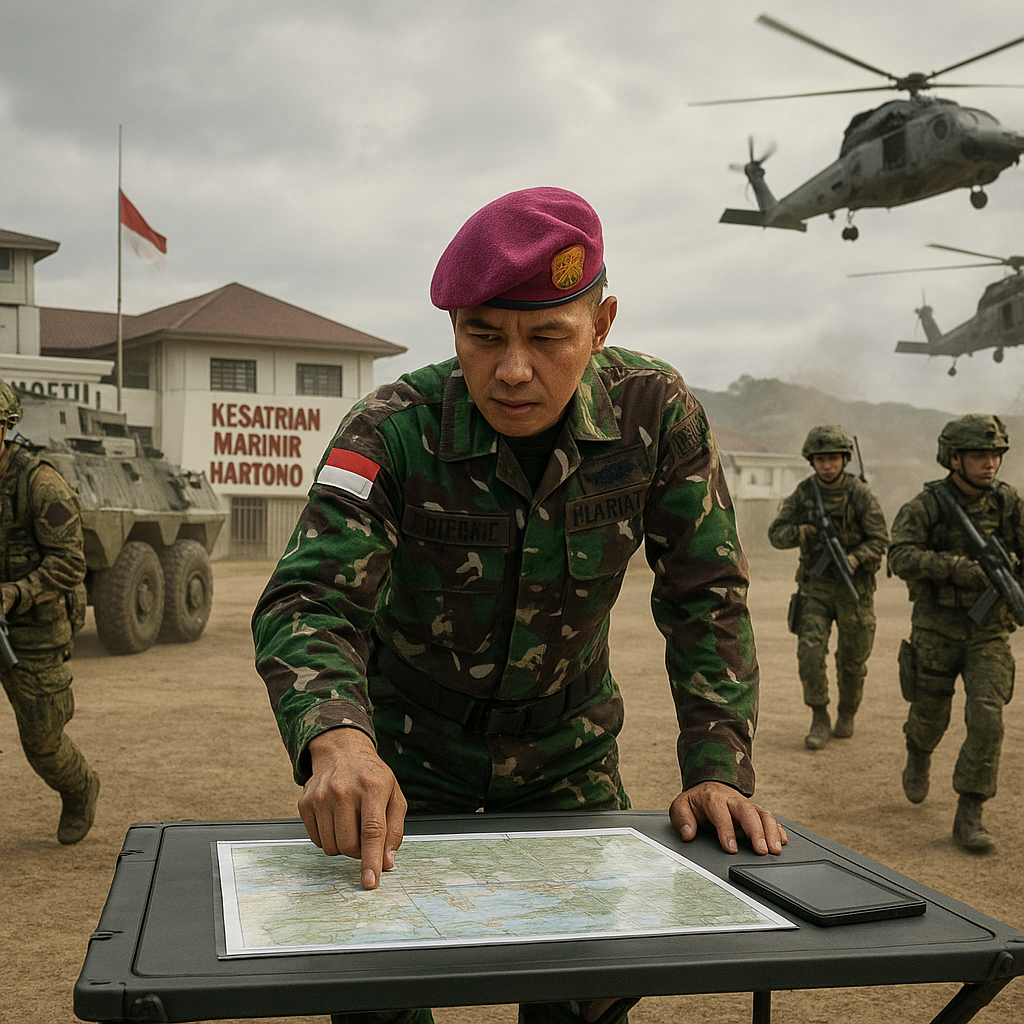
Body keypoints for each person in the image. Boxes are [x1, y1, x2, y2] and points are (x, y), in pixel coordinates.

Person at [252, 187, 786, 1024]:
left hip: (565, 756)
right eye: (483, 335)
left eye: (547, 337)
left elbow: (706, 595)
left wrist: (717, 768)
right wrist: (339, 740)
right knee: (374, 986)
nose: (511, 369)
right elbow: (308, 599)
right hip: (404, 758)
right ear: (454, 327)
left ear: (602, 324)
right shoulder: (393, 429)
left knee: (585, 990)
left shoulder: (657, 412)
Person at [888, 414, 1024, 854]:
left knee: (987, 720)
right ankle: (919, 753)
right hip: (936, 629)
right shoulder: (928, 505)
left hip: (989, 633)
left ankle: (970, 812)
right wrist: (954, 568)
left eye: (995, 455)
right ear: (953, 458)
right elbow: (900, 555)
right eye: (980, 455)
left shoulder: (1009, 504)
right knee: (930, 718)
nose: (990, 464)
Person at [0, 378, 99, 844]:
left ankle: (80, 789)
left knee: (43, 743)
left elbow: (70, 562)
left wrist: (15, 593)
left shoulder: (41, 484)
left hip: (32, 632)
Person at [767, 426, 889, 750]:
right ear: (812, 461)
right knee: (809, 654)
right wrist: (803, 532)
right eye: (821, 459)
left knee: (852, 659)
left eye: (833, 458)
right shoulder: (804, 494)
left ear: (844, 459)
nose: (827, 465)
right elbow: (776, 533)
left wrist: (855, 558)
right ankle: (819, 716)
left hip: (854, 590)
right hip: (815, 589)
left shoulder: (861, 495)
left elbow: (881, 539)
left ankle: (847, 711)